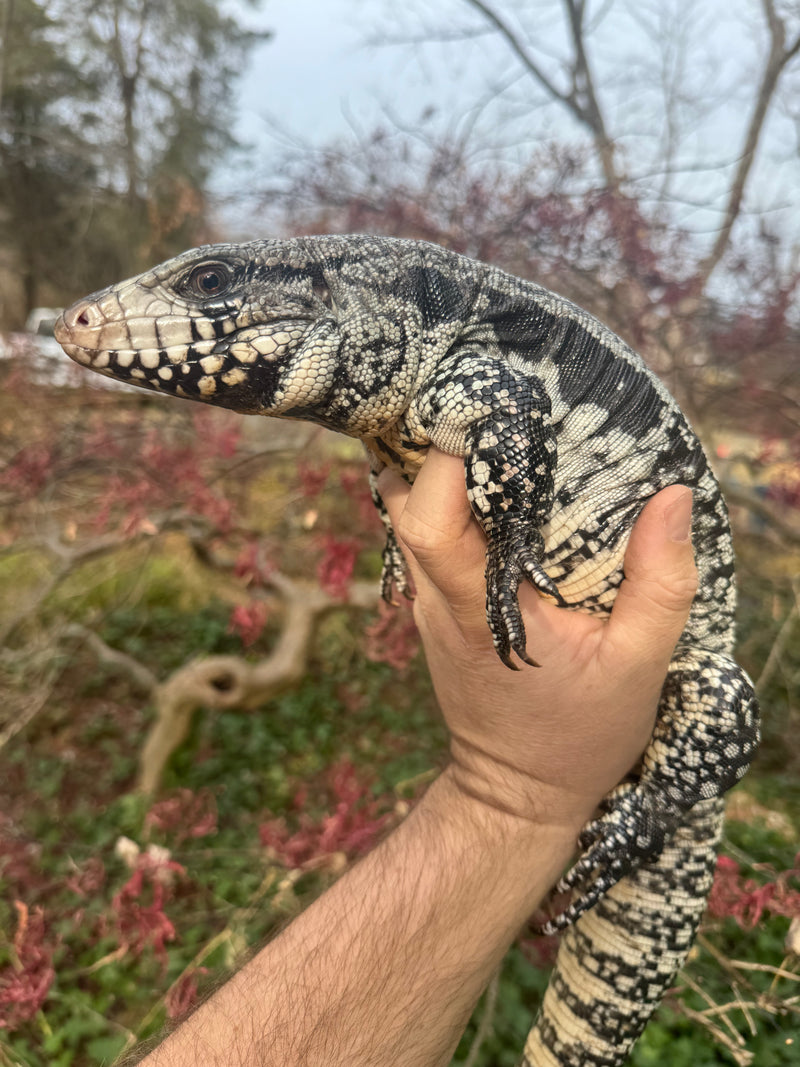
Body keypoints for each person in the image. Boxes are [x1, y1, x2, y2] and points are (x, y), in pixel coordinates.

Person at [134, 449, 697, 1067]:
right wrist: (516, 790)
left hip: (672, 706)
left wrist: (544, 796)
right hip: (592, 726)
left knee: (722, 699)